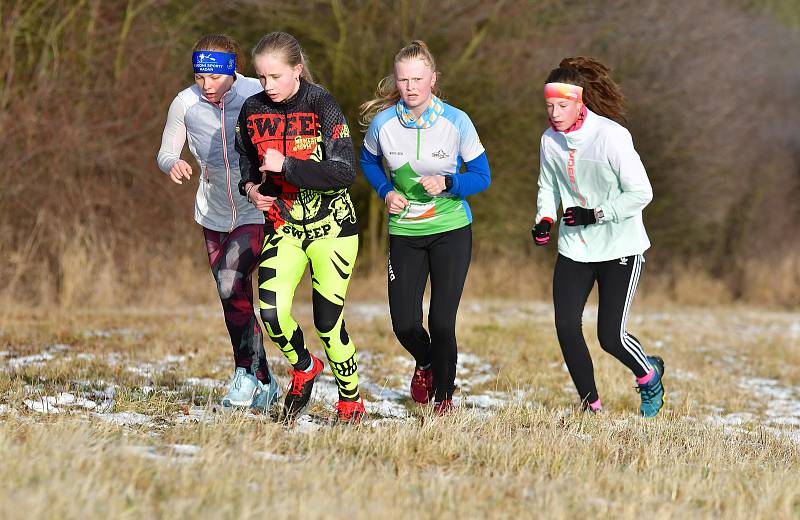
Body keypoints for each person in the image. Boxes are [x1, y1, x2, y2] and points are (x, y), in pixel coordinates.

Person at [236, 32, 365, 423]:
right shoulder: (252, 108)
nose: (267, 86)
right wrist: (251, 189)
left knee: (328, 322)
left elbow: (345, 171)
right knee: (271, 312)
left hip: (333, 227)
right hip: (284, 227)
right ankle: (304, 366)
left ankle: (350, 397)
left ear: (297, 70)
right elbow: (245, 156)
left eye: (275, 77)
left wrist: (287, 166)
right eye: (261, 77)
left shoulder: (321, 103)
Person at [359, 40, 491, 415]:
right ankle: (428, 362)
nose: (411, 86)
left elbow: (482, 176)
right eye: (403, 79)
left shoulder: (457, 121)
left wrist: (450, 184)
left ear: (433, 79)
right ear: (396, 82)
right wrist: (385, 191)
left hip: (451, 228)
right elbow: (367, 162)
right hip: (405, 232)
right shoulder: (383, 124)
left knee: (442, 320)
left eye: (418, 78)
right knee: (404, 323)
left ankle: (444, 399)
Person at [532, 57, 665, 417]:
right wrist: (545, 218)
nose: (555, 113)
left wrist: (597, 213)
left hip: (620, 245)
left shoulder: (611, 136)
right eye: (549, 106)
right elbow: (548, 186)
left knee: (611, 337)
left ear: (580, 102)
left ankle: (648, 374)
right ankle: (590, 404)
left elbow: (642, 193)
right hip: (575, 246)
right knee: (565, 325)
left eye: (562, 105)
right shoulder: (550, 141)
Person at [157, 35, 279, 412]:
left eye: (213, 78)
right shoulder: (186, 102)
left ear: (231, 72)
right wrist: (173, 164)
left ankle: (245, 373)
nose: (205, 85)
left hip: (253, 207)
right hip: (211, 210)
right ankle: (262, 379)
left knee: (231, 281)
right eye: (198, 77)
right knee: (232, 294)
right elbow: (165, 151)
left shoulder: (255, 94)